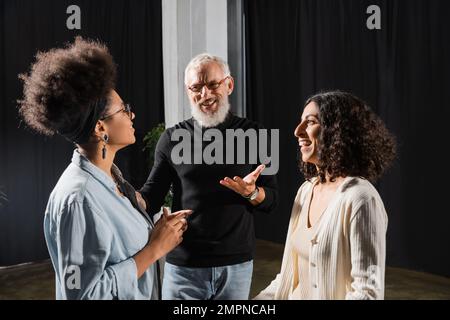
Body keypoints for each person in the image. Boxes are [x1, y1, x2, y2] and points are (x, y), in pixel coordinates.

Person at [18, 37, 191, 300]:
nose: (132, 115)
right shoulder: (78, 200)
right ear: (100, 128)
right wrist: (155, 249)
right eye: (124, 110)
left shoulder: (112, 179)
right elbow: (83, 295)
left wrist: (156, 231)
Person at [138, 53, 278, 300]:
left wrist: (252, 193)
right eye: (196, 87)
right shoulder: (171, 139)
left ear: (229, 84)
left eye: (213, 84)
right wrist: (119, 195)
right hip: (184, 267)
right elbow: (151, 196)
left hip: (236, 266)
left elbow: (272, 201)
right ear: (188, 90)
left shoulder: (259, 135)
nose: (206, 95)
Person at [254, 91, 396, 300]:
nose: (297, 131)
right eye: (300, 122)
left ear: (337, 131)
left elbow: (367, 294)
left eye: (310, 122)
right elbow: (287, 277)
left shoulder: (361, 199)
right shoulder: (306, 191)